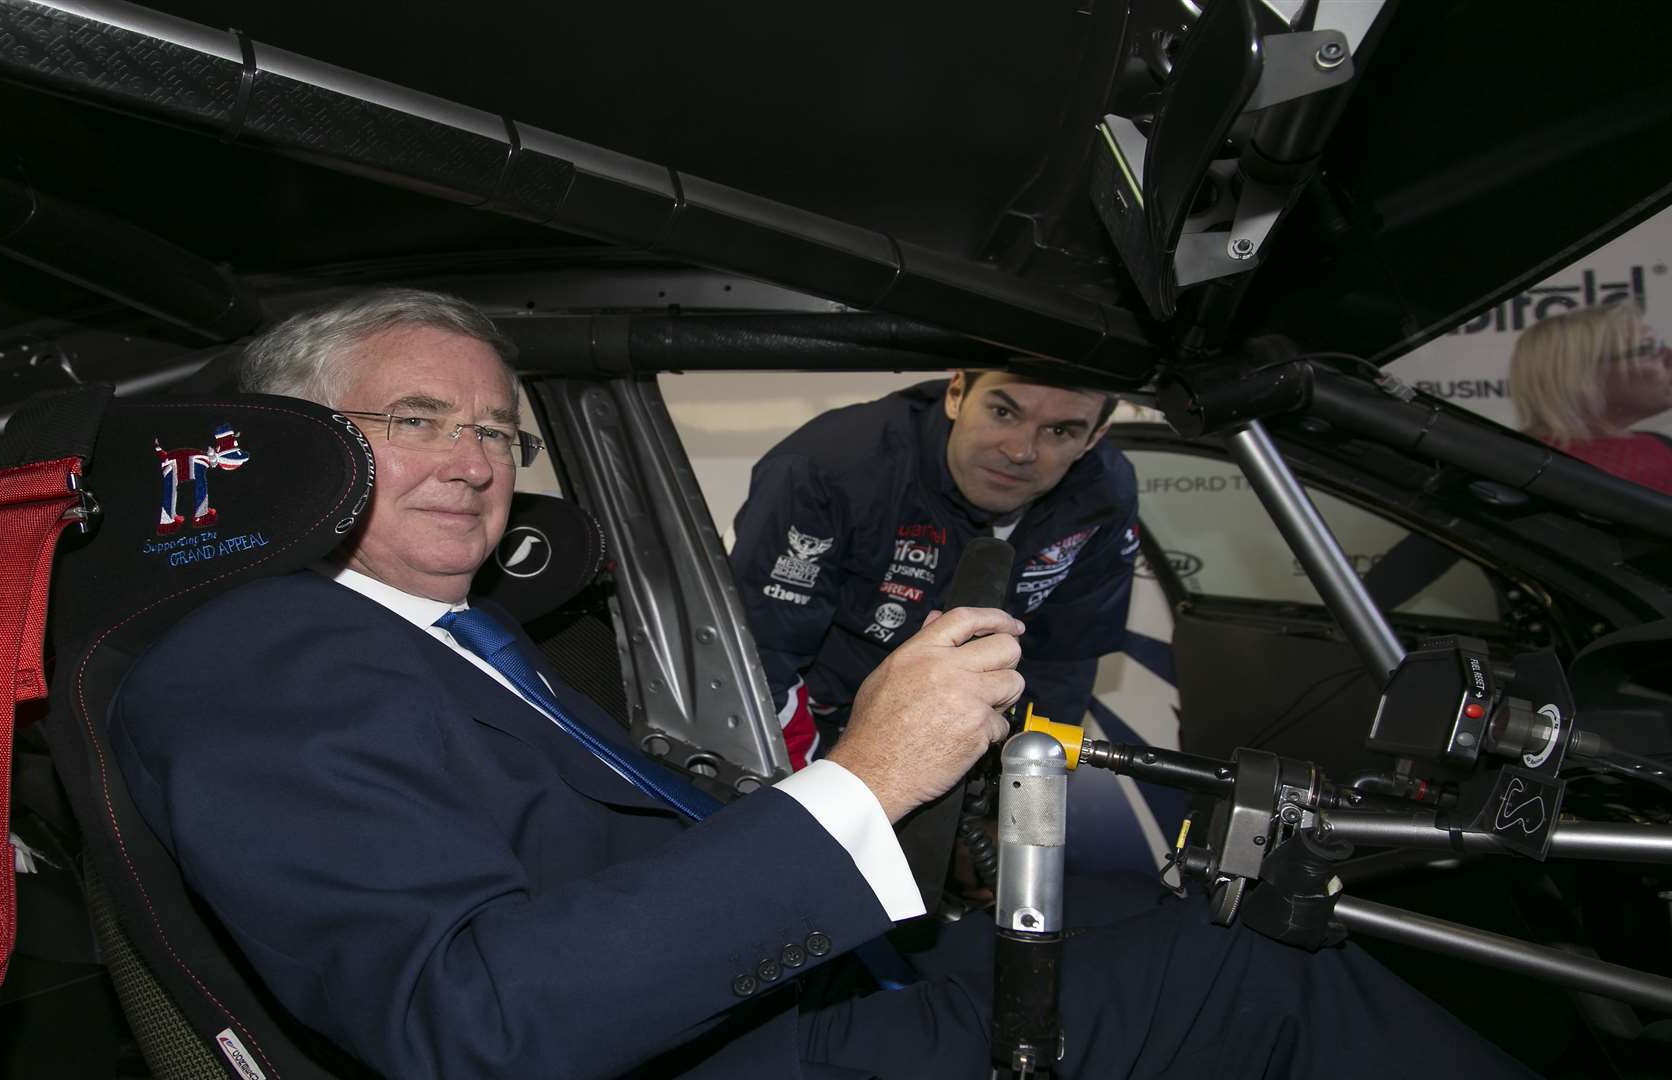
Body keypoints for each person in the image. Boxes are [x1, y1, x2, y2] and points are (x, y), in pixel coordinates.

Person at [110, 288, 1531, 1079]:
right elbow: (470, 1025)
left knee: (1174, 912)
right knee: (1260, 980)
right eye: (418, 420)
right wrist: (864, 779)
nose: (478, 460)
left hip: (771, 993)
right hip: (739, 1053)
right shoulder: (259, 655)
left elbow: (1073, 658)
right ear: (291, 446)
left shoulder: (440, 634)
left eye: (495, 427)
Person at [732, 373, 1137, 767]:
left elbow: (1063, 661)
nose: (1020, 450)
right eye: (1002, 412)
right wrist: (812, 799)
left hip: (966, 729)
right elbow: (762, 660)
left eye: (1059, 432)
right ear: (956, 393)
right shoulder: (830, 466)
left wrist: (1020, 792)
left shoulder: (1100, 497)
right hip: (814, 716)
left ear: (1094, 438)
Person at [1509, 301, 1672, 495]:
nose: (1669, 356)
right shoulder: (1518, 464)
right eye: (1647, 350)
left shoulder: (1658, 444)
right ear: (1580, 376)